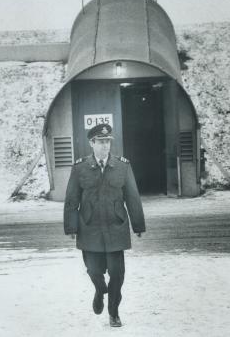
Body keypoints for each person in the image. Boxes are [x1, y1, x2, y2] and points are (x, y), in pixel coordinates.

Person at [64, 123, 146, 327]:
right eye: (101, 142)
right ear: (91, 143)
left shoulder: (122, 166)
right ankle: (100, 290)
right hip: (89, 227)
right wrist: (71, 227)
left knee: (117, 273)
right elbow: (71, 200)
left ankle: (114, 312)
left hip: (116, 227)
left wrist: (138, 225)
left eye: (108, 142)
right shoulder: (80, 167)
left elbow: (132, 196)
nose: (105, 146)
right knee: (94, 270)